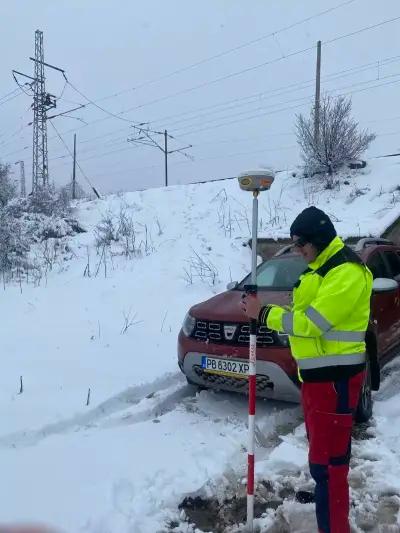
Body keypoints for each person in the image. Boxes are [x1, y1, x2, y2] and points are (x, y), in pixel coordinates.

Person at [241, 206, 372, 533]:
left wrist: (264, 314)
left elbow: (312, 324)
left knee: (330, 466)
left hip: (336, 381)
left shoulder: (346, 273)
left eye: (301, 244)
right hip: (316, 381)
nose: (297, 250)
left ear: (319, 239)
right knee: (321, 461)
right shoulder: (319, 270)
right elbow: (303, 314)